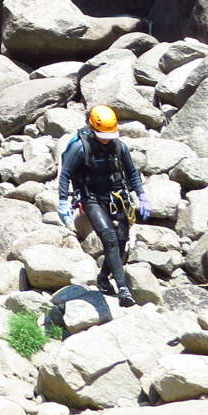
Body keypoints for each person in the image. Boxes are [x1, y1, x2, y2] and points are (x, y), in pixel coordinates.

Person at [57, 104, 151, 306]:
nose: (107, 139)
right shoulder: (80, 148)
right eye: (103, 135)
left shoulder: (119, 146)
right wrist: (63, 201)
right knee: (109, 238)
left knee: (121, 240)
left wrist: (142, 195)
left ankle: (102, 278)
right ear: (92, 128)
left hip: (117, 197)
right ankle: (123, 289)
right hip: (92, 199)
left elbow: (132, 173)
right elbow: (65, 174)